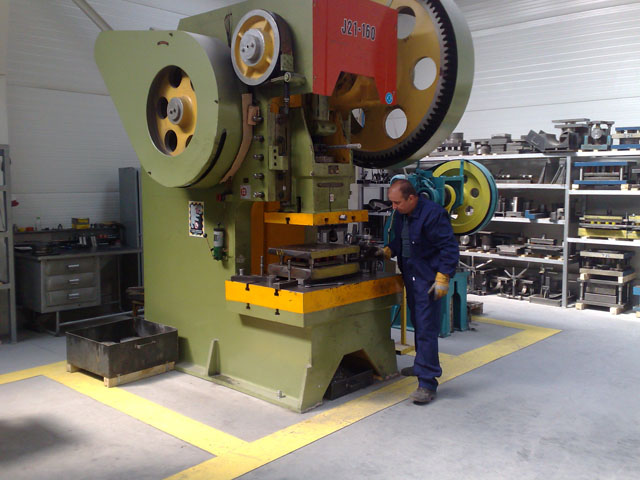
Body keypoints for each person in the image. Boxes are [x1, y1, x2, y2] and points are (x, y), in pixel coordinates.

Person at [380, 179, 459, 404]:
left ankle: (427, 382)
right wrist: (388, 250)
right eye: (392, 203)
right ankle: (420, 365)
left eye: (397, 203)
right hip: (411, 275)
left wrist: (443, 276)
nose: (394, 207)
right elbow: (401, 240)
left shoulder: (433, 214)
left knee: (426, 328)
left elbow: (449, 247)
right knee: (418, 323)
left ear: (412, 198)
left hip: (428, 278)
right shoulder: (401, 214)